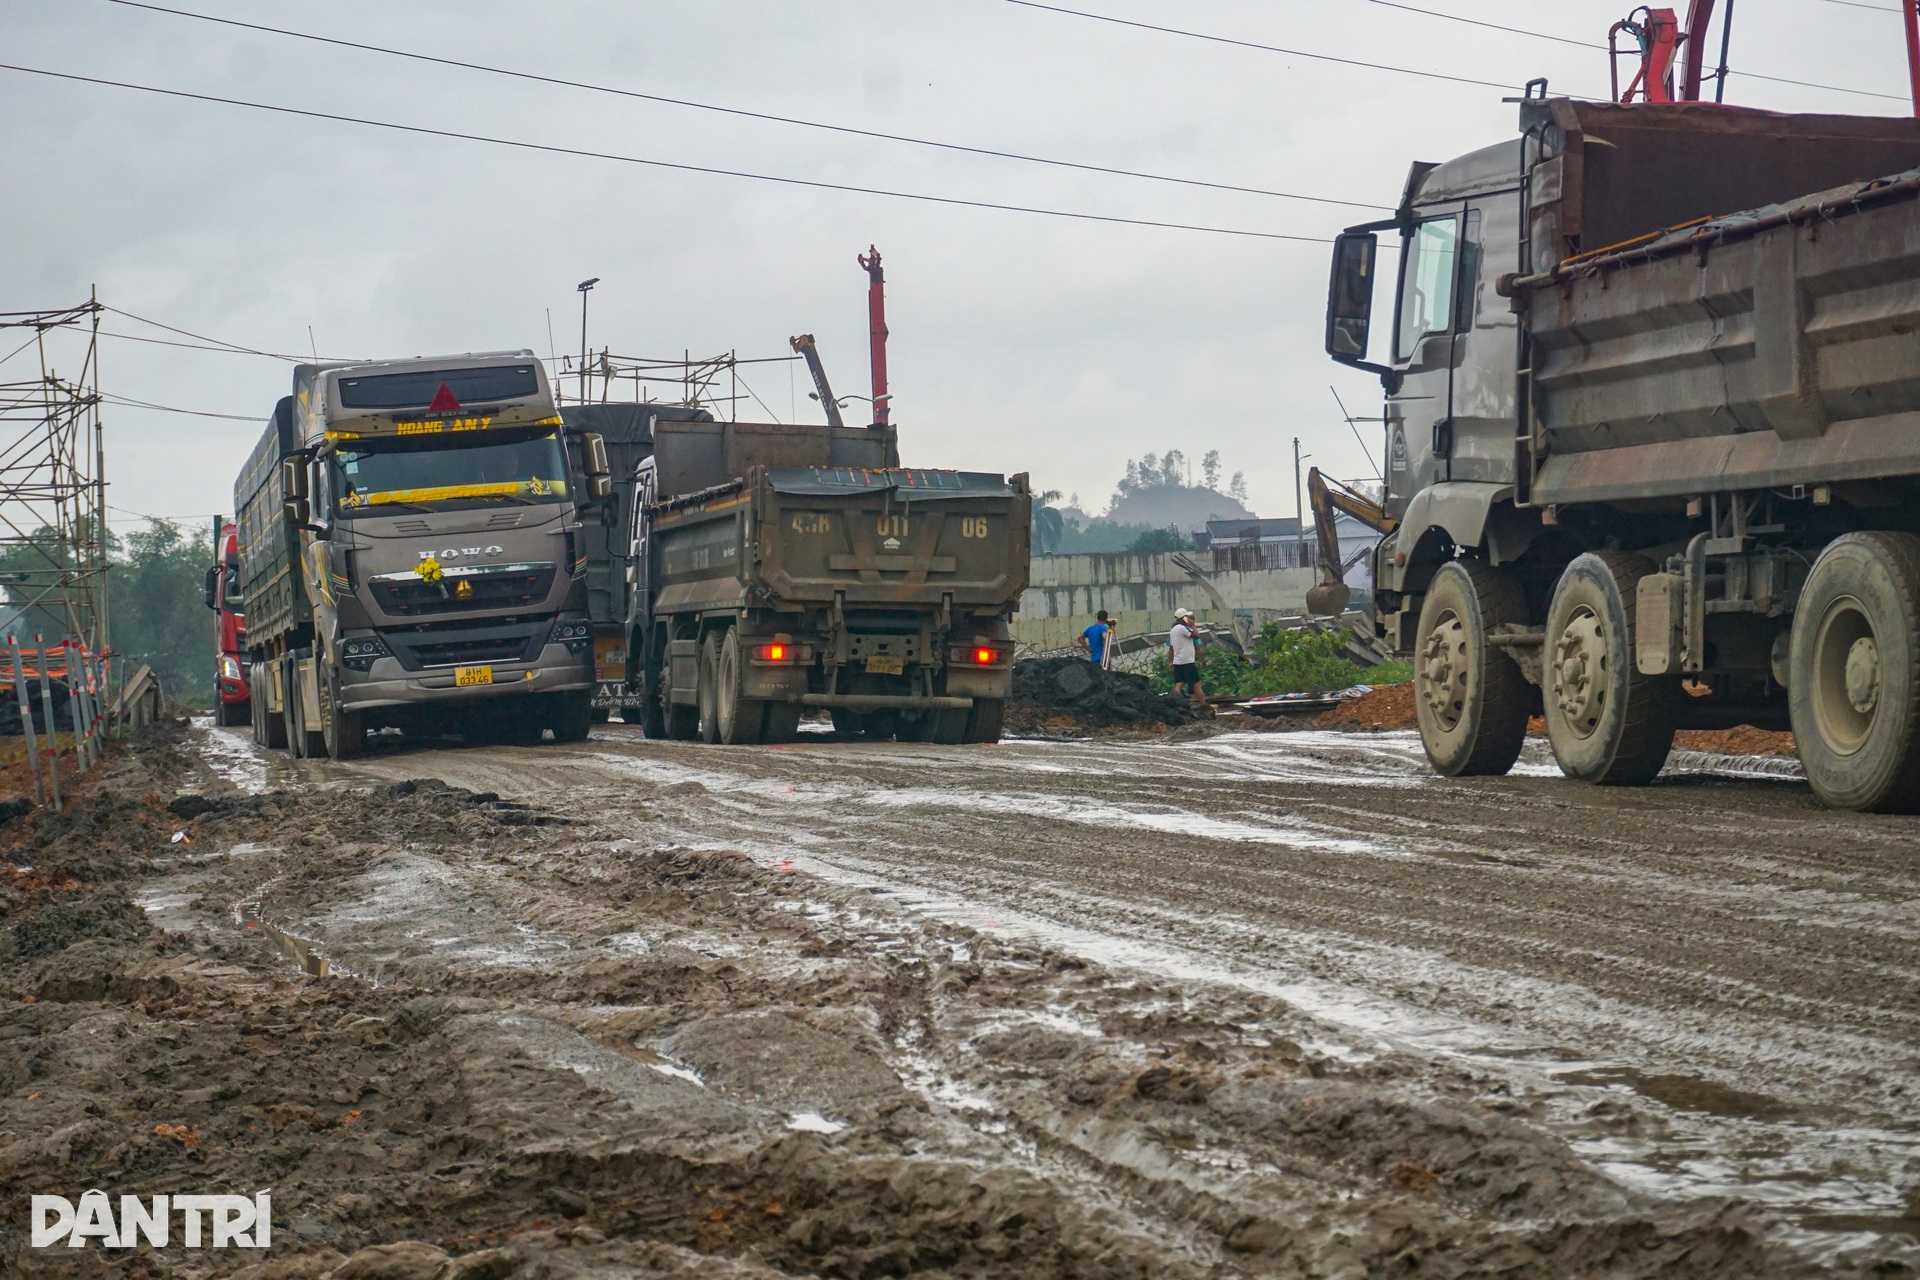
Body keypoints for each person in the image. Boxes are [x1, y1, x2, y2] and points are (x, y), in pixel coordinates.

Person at [1169, 607, 1205, 708]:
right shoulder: (1182, 628)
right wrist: (1193, 625)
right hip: (1187, 661)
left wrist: (1171, 661)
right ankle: (1204, 705)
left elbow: (1171, 648)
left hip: (1178, 661)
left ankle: (1175, 705)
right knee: (1196, 684)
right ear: (1183, 618)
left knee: (1179, 684)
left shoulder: (1173, 630)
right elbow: (1196, 635)